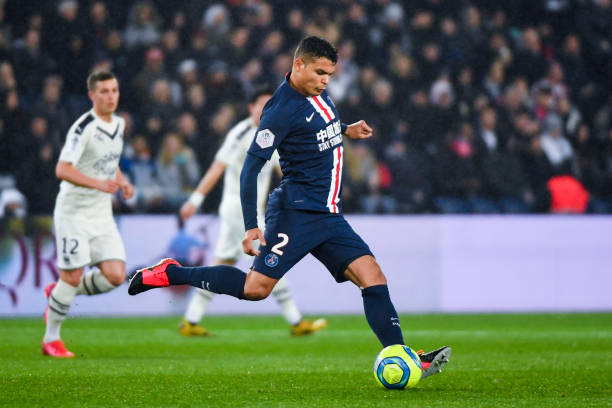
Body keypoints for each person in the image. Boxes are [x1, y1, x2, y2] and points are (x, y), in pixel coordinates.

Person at [128, 37, 450, 378]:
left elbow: (315, 131)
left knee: (372, 276)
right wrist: (252, 224)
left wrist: (345, 130)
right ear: (299, 65)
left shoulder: (316, 92)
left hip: (328, 214)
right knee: (255, 289)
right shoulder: (279, 110)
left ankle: (400, 354)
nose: (326, 80)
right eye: (320, 73)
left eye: (330, 74)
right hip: (294, 213)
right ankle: (169, 272)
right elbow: (251, 168)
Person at [178, 87, 327, 337]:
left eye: (271, 105)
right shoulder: (241, 132)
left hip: (246, 211)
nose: (266, 109)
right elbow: (217, 167)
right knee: (269, 259)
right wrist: (194, 200)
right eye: (261, 104)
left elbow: (283, 168)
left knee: (223, 263)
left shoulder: (272, 132)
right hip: (239, 210)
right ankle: (296, 320)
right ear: (251, 108)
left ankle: (190, 320)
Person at [42, 71, 134, 358]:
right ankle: (51, 339)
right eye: (104, 91)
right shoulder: (83, 127)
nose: (110, 96)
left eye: (114, 90)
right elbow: (63, 169)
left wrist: (122, 179)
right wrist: (99, 184)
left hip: (101, 214)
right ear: (92, 95)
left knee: (116, 276)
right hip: (74, 212)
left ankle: (58, 293)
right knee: (71, 276)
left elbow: (108, 160)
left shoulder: (118, 124)